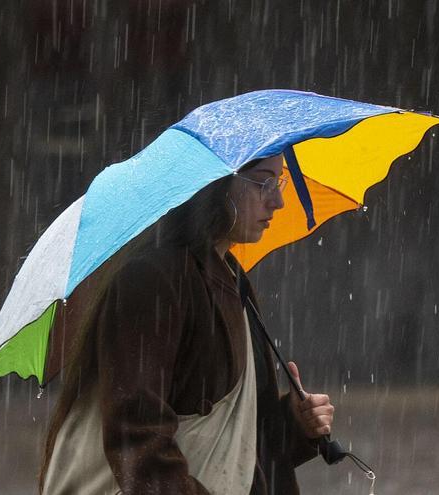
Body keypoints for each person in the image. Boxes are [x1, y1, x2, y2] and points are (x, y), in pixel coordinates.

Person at [39, 154, 335, 494]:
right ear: (216, 184)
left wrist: (294, 425)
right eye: (262, 182)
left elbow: (235, 446)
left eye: (278, 182)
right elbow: (137, 433)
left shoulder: (234, 279)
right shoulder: (152, 280)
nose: (277, 200)